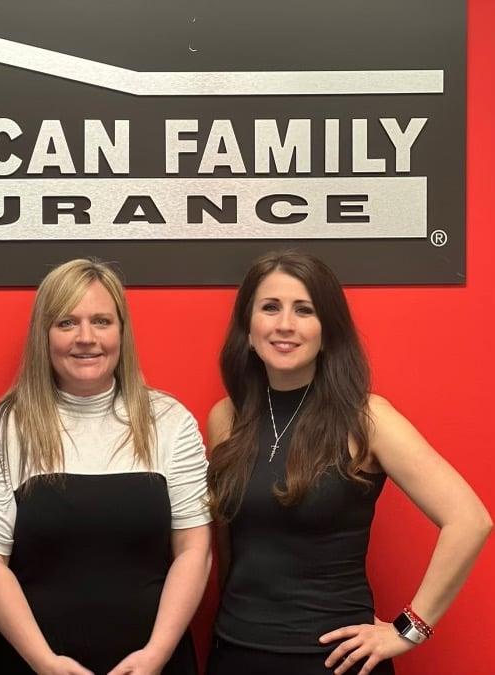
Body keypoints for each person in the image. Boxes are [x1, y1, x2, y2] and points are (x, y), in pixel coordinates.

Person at [205, 251, 491, 675]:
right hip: (236, 651)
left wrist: (408, 630)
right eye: (270, 307)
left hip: (337, 661)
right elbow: (226, 545)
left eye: (305, 310)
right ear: (248, 329)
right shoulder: (225, 418)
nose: (285, 324)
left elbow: (470, 520)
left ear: (328, 331)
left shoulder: (366, 418)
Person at [0, 258, 212, 675]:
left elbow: (195, 551)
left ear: (121, 332)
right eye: (66, 323)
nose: (85, 338)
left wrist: (155, 654)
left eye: (101, 321)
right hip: (33, 666)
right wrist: (45, 662)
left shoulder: (169, 420)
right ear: (44, 334)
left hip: (154, 666)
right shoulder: (3, 427)